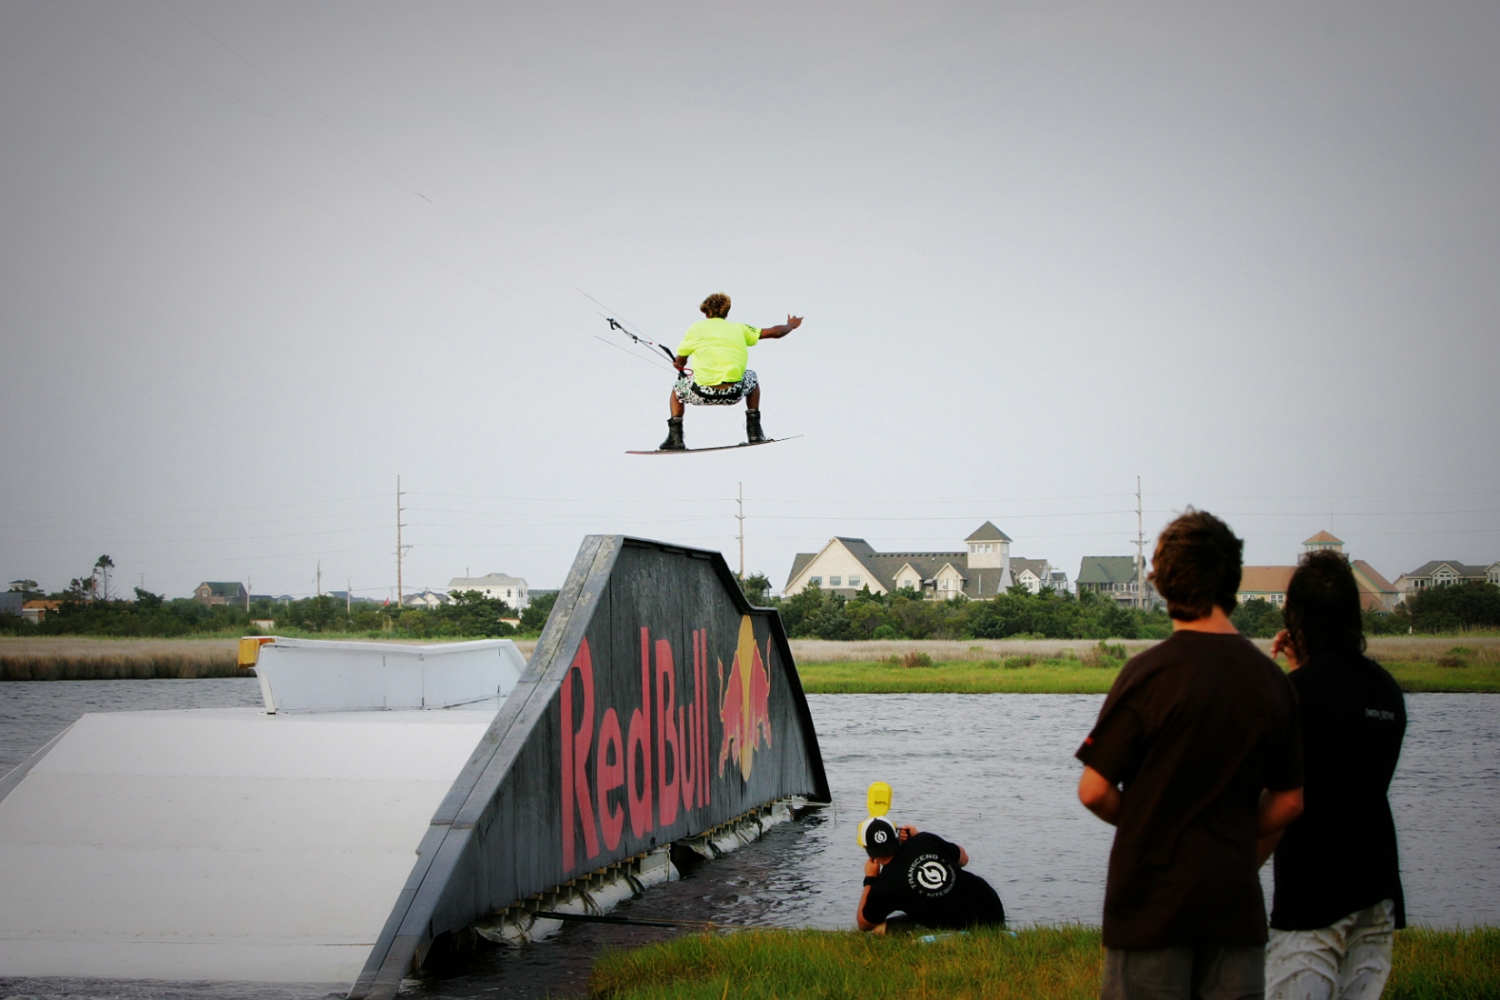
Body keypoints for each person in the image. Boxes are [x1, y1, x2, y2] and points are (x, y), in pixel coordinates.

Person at [1076, 509, 1305, 1000]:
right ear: (1232, 578)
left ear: (1162, 582)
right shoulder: (1272, 682)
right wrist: (1234, 831)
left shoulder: (1149, 674)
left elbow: (1094, 790)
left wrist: (1148, 821)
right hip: (1234, 905)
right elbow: (1290, 802)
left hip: (1151, 906)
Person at [1263, 551, 1407, 1000]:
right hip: (1379, 892)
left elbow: (1286, 792)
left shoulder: (1295, 694)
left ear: (1296, 618)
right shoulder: (1385, 690)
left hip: (1313, 893)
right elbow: (1348, 761)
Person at [659, 292, 802, 451]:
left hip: (702, 393)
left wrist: (678, 364)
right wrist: (790, 325)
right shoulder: (739, 328)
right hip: (734, 392)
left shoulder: (696, 328)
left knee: (677, 389)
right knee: (751, 376)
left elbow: (681, 361)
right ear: (727, 312)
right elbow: (775, 332)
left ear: (706, 313)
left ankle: (675, 438)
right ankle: (755, 432)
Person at [854, 816, 1005, 933]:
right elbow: (964, 859)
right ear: (897, 836)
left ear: (868, 850)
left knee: (879, 929)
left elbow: (864, 924)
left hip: (959, 926)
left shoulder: (885, 884)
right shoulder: (924, 839)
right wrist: (918, 837)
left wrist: (870, 878)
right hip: (991, 907)